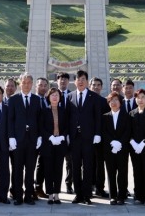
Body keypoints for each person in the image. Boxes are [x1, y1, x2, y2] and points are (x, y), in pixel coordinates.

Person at [67, 69, 102, 205]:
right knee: (75, 166)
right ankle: (78, 194)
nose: (80, 82)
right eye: (78, 79)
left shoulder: (94, 97)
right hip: (75, 137)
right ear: (75, 82)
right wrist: (68, 135)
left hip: (88, 137)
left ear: (87, 82)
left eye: (83, 79)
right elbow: (68, 117)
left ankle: (87, 195)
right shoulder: (70, 96)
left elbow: (97, 117)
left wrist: (97, 134)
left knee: (88, 167)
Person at [7, 73, 41, 205]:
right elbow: (10, 120)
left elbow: (39, 120)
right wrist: (11, 137)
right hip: (18, 140)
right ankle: (18, 196)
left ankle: (28, 196)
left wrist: (39, 137)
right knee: (17, 169)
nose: (26, 85)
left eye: (29, 82)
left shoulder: (37, 100)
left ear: (32, 84)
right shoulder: (13, 100)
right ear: (20, 84)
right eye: (24, 82)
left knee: (30, 169)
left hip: (32, 140)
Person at [101, 91, 130, 205]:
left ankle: (121, 196)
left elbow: (127, 131)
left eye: (116, 100)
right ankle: (113, 196)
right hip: (109, 149)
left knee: (122, 173)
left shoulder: (126, 115)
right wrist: (112, 142)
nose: (113, 102)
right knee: (111, 173)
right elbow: (104, 132)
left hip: (122, 149)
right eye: (111, 100)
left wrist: (120, 143)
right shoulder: (105, 117)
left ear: (120, 102)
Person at [39, 87, 67, 204]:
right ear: (48, 97)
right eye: (52, 95)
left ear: (60, 98)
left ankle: (57, 193)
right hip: (48, 144)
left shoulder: (64, 111)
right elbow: (41, 127)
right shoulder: (44, 110)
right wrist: (49, 137)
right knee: (48, 169)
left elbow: (67, 126)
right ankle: (50, 194)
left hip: (60, 144)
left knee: (58, 169)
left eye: (57, 95)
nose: (55, 97)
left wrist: (62, 136)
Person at [90, 76, 109, 198]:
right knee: (87, 164)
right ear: (90, 86)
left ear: (101, 87)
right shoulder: (86, 100)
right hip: (87, 138)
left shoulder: (104, 102)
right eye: (94, 85)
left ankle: (99, 188)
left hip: (101, 138)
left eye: (98, 85)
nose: (96, 87)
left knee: (100, 165)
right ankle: (88, 186)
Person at [56, 72, 73, 194]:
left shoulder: (72, 96)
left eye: (65, 80)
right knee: (55, 162)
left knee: (70, 162)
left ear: (68, 82)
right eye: (61, 79)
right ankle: (53, 186)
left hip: (69, 134)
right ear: (57, 81)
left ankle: (68, 184)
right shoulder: (51, 95)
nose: (63, 82)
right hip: (55, 134)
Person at [33, 77, 49, 199]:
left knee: (42, 164)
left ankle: (39, 187)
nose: (43, 87)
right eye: (40, 85)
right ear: (36, 86)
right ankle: (29, 188)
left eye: (45, 85)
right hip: (33, 137)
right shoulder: (32, 100)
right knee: (31, 164)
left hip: (46, 138)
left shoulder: (48, 100)